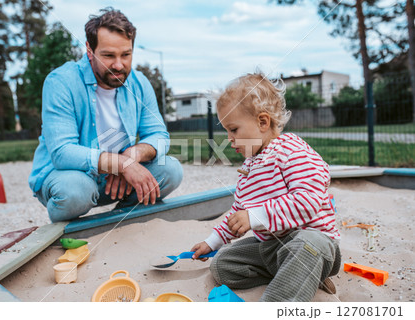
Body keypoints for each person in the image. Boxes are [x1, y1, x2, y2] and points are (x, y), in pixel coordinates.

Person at [191, 71, 341, 302]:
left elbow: (307, 201)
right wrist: (212, 242)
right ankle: (298, 276)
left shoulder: (291, 150)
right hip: (274, 247)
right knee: (222, 265)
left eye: (234, 129)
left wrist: (255, 216)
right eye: (226, 131)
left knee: (305, 246)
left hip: (313, 243)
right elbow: (238, 214)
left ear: (262, 122)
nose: (229, 138)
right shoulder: (250, 167)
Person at [28, 8, 183, 222]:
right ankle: (65, 230)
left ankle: (120, 220)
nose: (118, 65)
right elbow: (62, 152)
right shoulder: (61, 82)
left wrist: (132, 157)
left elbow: (159, 136)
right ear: (89, 50)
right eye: (109, 56)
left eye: (126, 55)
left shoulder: (139, 83)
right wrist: (120, 165)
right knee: (75, 192)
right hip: (71, 176)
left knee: (172, 170)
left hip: (117, 180)